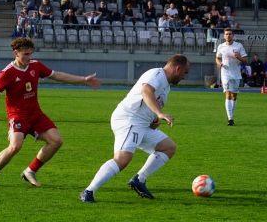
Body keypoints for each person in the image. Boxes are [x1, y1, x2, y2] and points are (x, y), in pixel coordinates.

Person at [0, 37, 101, 188]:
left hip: (35, 114)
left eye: (31, 54)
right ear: (16, 53)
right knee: (15, 146)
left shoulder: (36, 66)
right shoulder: (7, 73)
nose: (29, 57)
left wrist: (83, 80)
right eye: (25, 54)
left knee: (56, 141)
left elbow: (57, 75)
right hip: (18, 114)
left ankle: (30, 171)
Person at [79, 54, 190, 203]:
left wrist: (154, 119)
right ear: (177, 68)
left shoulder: (166, 85)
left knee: (168, 147)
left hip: (141, 124)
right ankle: (88, 191)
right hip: (129, 120)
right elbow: (146, 91)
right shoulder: (156, 74)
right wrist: (160, 112)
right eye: (185, 72)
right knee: (122, 159)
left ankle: (139, 179)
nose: (184, 77)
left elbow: (147, 104)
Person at [216, 28, 248, 126]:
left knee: (234, 96)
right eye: (226, 34)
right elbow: (217, 57)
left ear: (233, 35)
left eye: (230, 34)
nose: (228, 35)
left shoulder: (238, 46)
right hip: (225, 73)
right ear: (224, 35)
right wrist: (219, 63)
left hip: (236, 74)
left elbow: (246, 60)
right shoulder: (221, 46)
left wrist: (238, 57)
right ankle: (230, 118)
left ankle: (231, 115)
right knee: (228, 94)